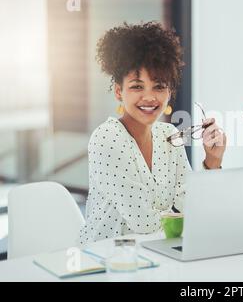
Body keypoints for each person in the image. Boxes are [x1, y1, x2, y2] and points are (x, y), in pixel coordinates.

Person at [78, 22, 226, 245]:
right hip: (106, 261)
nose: (149, 97)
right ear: (119, 91)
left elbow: (192, 205)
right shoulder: (107, 139)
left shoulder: (168, 134)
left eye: (159, 86)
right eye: (137, 86)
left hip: (156, 254)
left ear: (169, 91)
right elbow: (143, 223)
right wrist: (186, 213)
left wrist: (212, 161)